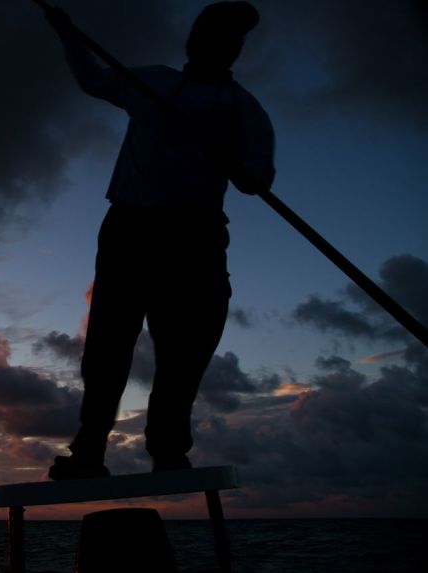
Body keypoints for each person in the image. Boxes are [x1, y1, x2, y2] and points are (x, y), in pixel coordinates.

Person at [46, 1, 275, 479]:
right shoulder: (155, 82)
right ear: (194, 42)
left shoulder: (245, 110)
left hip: (196, 236)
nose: (220, 44)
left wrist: (242, 168)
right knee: (108, 344)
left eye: (230, 38)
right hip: (130, 229)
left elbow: (256, 178)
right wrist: (67, 34)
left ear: (236, 49)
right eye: (213, 35)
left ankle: (168, 449)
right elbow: (93, 81)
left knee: (188, 345)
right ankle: (89, 450)